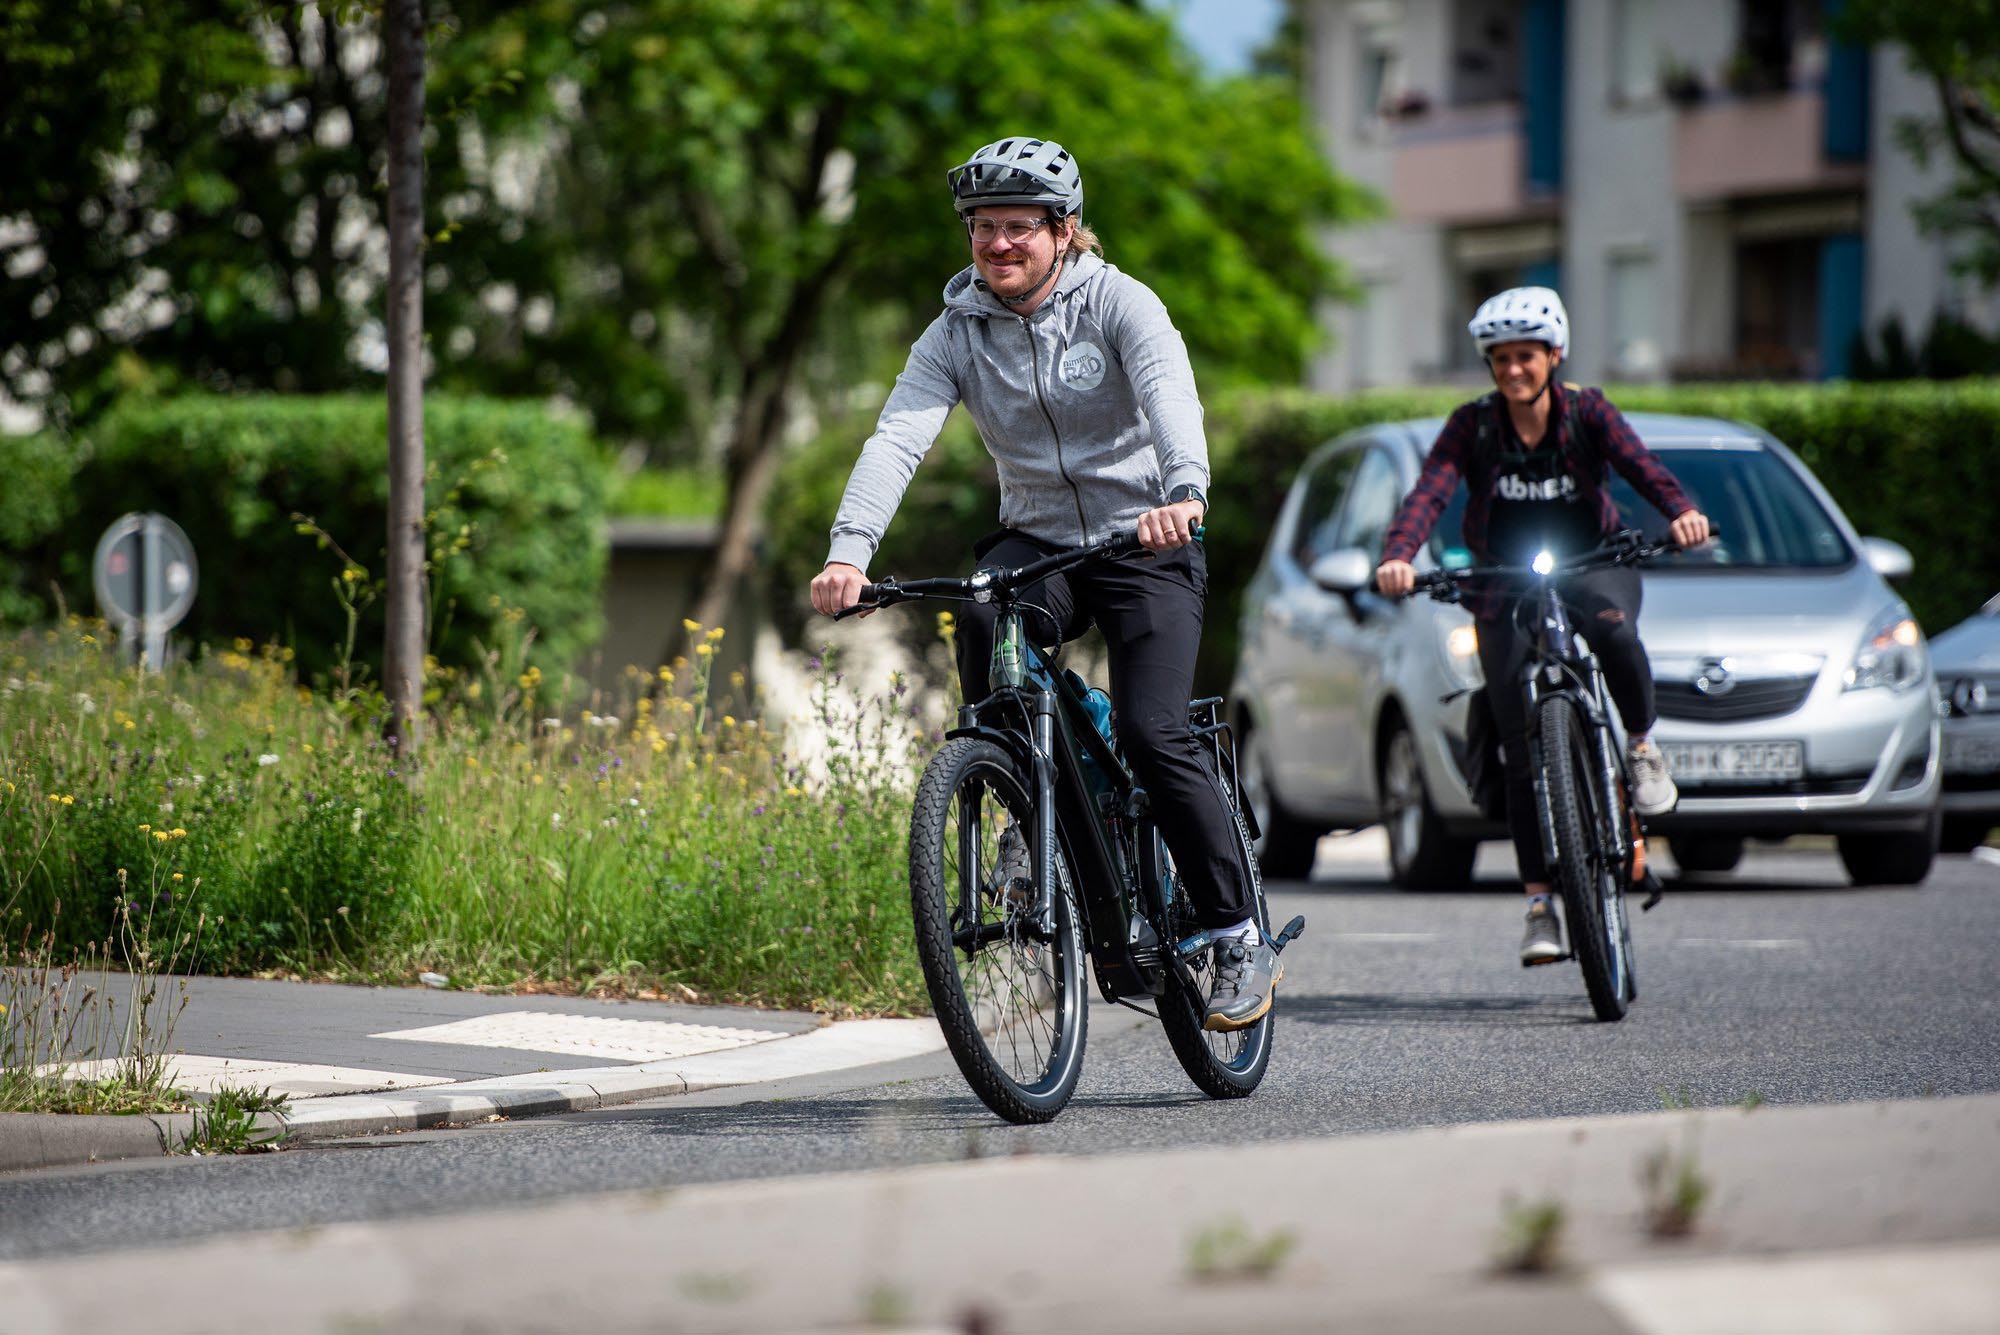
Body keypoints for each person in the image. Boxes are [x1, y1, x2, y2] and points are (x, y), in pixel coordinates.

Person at [808, 135, 1276, 1030]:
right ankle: (1023, 798)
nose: (999, 246)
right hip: (1041, 538)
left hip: (1146, 537)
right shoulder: (954, 331)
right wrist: (848, 551)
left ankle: (1234, 931)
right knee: (984, 608)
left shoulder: (1120, 304)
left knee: (1152, 729)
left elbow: (1172, 391)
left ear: (1064, 233)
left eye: (1020, 228)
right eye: (984, 229)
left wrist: (1184, 491)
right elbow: (897, 437)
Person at [1374, 287, 1711, 967]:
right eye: (1500, 358)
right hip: (1504, 579)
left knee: (1615, 633)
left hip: (1592, 563)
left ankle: (1641, 748)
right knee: (1518, 749)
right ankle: (1539, 905)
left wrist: (1680, 512)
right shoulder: (1472, 425)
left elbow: (1641, 467)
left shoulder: (1588, 411)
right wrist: (1398, 556)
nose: (1513, 370)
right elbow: (1431, 491)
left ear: (1554, 356)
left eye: (1525, 356)